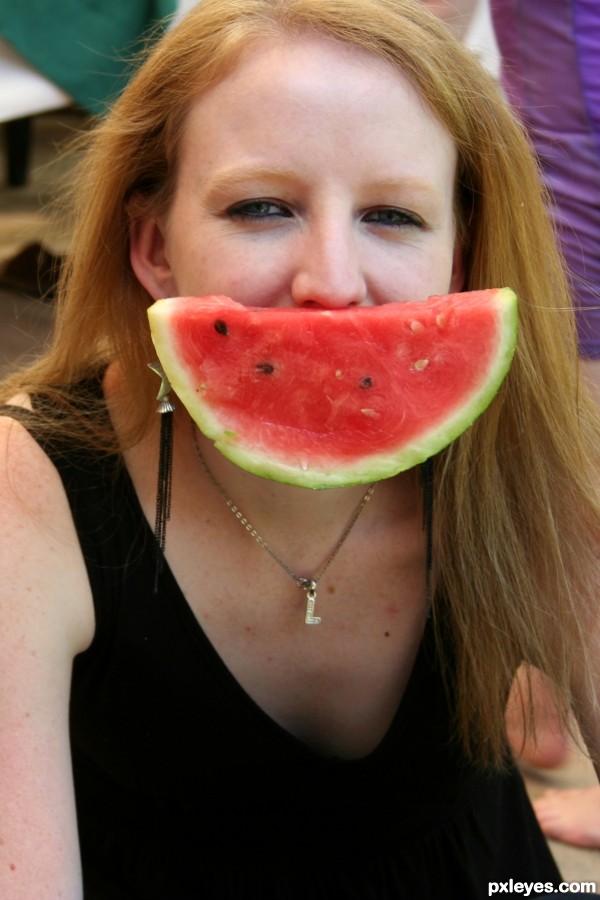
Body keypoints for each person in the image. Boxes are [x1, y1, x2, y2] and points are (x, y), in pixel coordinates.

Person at [1, 0, 599, 896]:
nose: (332, 283)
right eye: (263, 207)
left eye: (393, 216)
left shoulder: (522, 457)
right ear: (155, 246)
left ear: (461, 257)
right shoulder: (26, 495)